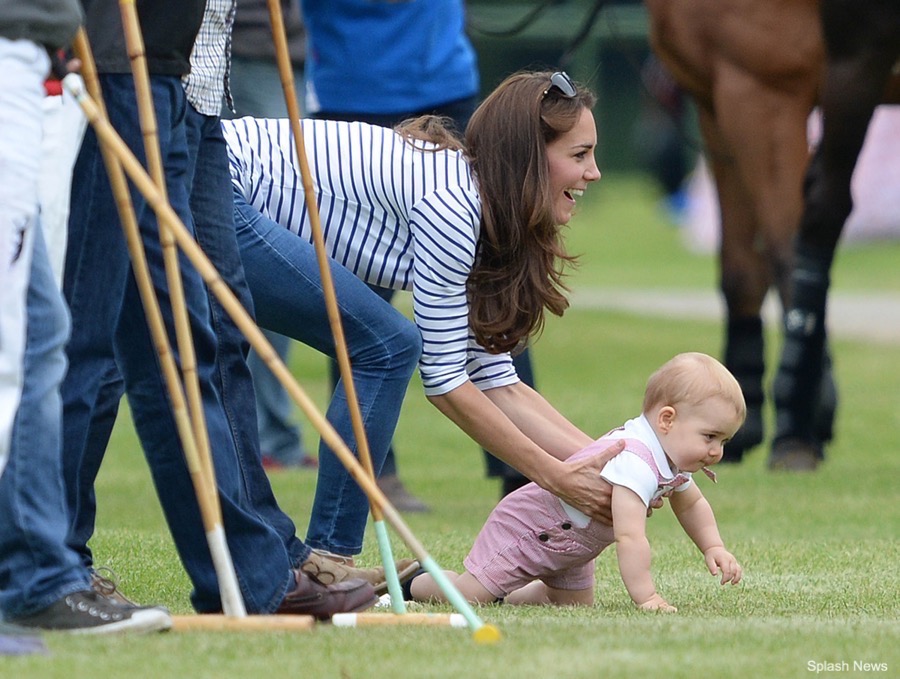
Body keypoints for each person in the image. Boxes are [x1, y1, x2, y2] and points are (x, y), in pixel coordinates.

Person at [60, 0, 389, 620]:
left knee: (215, 330)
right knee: (112, 332)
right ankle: (54, 561)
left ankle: (256, 560)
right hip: (127, 70)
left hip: (198, 86)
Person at [223, 70, 625, 564]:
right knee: (389, 347)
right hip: (215, 183)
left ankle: (312, 562)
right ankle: (330, 560)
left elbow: (499, 380)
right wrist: (555, 475)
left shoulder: (480, 204)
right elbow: (445, 384)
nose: (594, 172)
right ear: (528, 159)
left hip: (212, 180)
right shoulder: (454, 207)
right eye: (579, 155)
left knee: (381, 346)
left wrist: (618, 465)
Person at [301, 0, 534, 508]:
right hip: (353, 86)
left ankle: (524, 472)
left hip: (444, 83)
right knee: (356, 298)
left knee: (495, 280)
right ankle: (374, 472)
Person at [0, 0, 173, 640]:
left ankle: (34, 576)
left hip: (33, 63)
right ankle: (35, 578)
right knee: (20, 340)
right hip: (11, 61)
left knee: (40, 336)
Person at [409, 352, 745, 611]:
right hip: (530, 529)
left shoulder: (672, 457)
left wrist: (713, 546)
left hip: (575, 548)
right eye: (710, 437)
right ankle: (419, 582)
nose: (716, 451)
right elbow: (630, 537)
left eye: (723, 442)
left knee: (571, 605)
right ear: (667, 419)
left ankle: (507, 592)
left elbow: (693, 503)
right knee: (470, 596)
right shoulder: (636, 461)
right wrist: (647, 596)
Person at [223, 0, 316, 472]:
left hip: (289, 52)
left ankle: (267, 435)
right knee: (268, 243)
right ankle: (265, 437)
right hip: (248, 48)